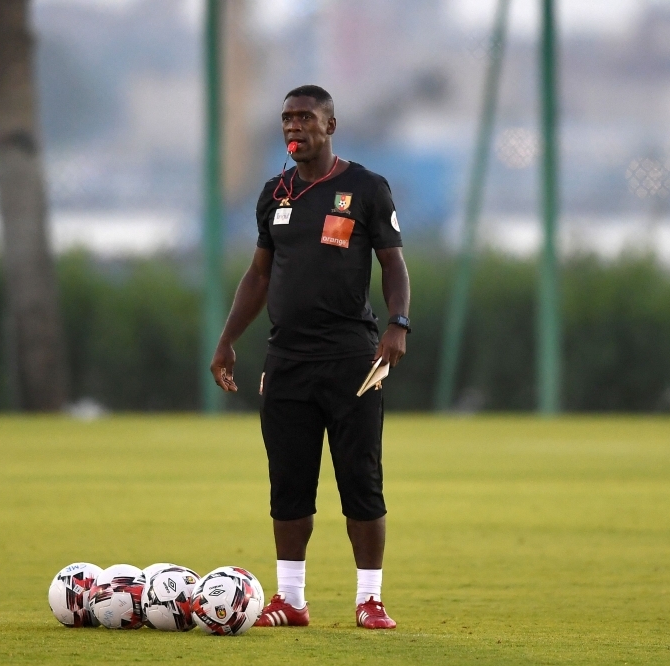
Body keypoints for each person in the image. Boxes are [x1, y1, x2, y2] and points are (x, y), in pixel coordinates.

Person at [210, 85, 411, 630]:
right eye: (286, 119)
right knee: (289, 482)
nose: (294, 127)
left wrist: (397, 323)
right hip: (287, 361)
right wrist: (228, 340)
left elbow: (393, 264)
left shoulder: (365, 188)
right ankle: (291, 599)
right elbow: (257, 275)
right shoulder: (274, 194)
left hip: (352, 359)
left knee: (361, 479)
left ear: (331, 125)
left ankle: (369, 600)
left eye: (305, 118)